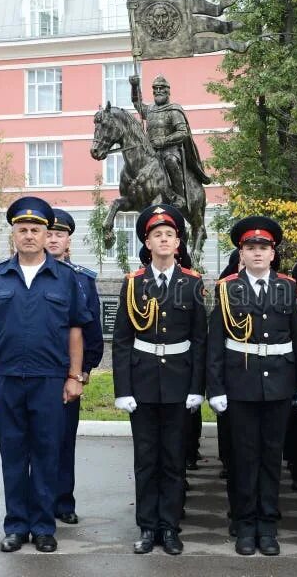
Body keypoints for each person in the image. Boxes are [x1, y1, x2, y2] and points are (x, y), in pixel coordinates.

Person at [0, 196, 91, 553]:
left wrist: (74, 377)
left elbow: (75, 331)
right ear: (13, 234)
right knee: (13, 454)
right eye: (22, 229)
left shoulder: (65, 278)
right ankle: (16, 526)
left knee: (47, 453)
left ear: (45, 233)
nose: (29, 235)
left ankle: (43, 527)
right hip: (7, 378)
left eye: (36, 229)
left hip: (50, 380)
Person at [207, 216, 297, 556]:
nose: (257, 253)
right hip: (241, 385)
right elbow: (216, 342)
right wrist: (216, 387)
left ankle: (268, 525)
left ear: (273, 252)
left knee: (270, 458)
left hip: (279, 384)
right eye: (250, 248)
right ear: (242, 253)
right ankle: (244, 523)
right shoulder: (227, 289)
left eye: (263, 248)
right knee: (243, 458)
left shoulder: (287, 287)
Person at [111, 204, 206, 555]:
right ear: (147, 243)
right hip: (144, 381)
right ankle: (147, 527)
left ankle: (170, 527)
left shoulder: (192, 283)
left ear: (178, 243)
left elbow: (200, 340)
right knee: (146, 459)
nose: (164, 240)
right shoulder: (134, 283)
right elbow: (121, 339)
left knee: (174, 459)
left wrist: (198, 387)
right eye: (157, 235)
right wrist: (123, 389)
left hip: (180, 384)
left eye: (169, 235)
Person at [45, 208, 104, 526]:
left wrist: (86, 370)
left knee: (65, 439)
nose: (53, 239)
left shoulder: (81, 279)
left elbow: (92, 329)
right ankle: (37, 501)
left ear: (68, 240)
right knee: (35, 441)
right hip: (36, 373)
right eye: (49, 233)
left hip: (69, 372)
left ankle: (63, 501)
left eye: (59, 234)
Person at [129, 73, 210, 207]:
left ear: (168, 91)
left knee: (170, 161)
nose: (158, 91)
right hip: (152, 150)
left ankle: (179, 196)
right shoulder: (149, 110)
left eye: (161, 88)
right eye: (155, 89)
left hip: (171, 149)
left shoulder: (174, 110)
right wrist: (134, 86)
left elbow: (182, 133)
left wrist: (163, 141)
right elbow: (137, 103)